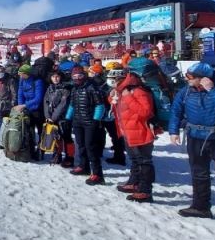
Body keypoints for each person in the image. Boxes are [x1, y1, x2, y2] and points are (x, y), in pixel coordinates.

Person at [169, 62, 215, 237]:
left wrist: (212, 90)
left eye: (191, 77)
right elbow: (176, 109)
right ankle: (200, 207)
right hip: (195, 136)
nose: (187, 80)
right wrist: (173, 130)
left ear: (204, 79)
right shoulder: (187, 90)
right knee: (198, 173)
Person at [113, 71, 155, 203]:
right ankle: (134, 182)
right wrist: (113, 98)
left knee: (144, 161)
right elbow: (122, 110)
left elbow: (146, 112)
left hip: (141, 132)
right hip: (129, 132)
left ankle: (145, 190)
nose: (115, 82)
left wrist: (128, 98)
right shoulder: (123, 92)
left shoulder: (138, 92)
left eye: (118, 80)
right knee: (135, 160)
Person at [66, 66, 106, 184]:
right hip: (78, 121)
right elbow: (72, 105)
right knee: (81, 145)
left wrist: (96, 120)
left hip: (89, 122)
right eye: (75, 77)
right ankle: (84, 166)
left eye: (80, 76)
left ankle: (98, 174)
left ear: (84, 76)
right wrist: (68, 118)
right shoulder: (74, 89)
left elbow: (100, 105)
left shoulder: (91, 87)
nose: (77, 79)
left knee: (90, 147)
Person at [16, 64, 45, 159]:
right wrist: (21, 106)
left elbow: (38, 98)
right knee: (29, 131)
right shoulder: (22, 80)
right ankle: (30, 150)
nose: (20, 76)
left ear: (27, 73)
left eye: (21, 74)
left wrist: (24, 105)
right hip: (27, 109)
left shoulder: (38, 81)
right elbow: (20, 93)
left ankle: (41, 151)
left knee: (41, 132)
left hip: (38, 109)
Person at [43, 70, 72, 166]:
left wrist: (54, 117)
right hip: (51, 118)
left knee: (66, 137)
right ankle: (57, 155)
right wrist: (47, 116)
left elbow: (63, 105)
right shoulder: (50, 88)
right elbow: (46, 102)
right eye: (53, 77)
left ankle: (70, 157)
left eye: (57, 76)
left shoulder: (65, 89)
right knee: (56, 137)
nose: (55, 79)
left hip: (63, 118)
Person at [0, 64, 17, 144]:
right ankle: (3, 140)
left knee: (7, 123)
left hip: (7, 104)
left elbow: (14, 92)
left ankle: (6, 141)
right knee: (2, 123)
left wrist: (13, 102)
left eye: (1, 72)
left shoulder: (9, 80)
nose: (0, 73)